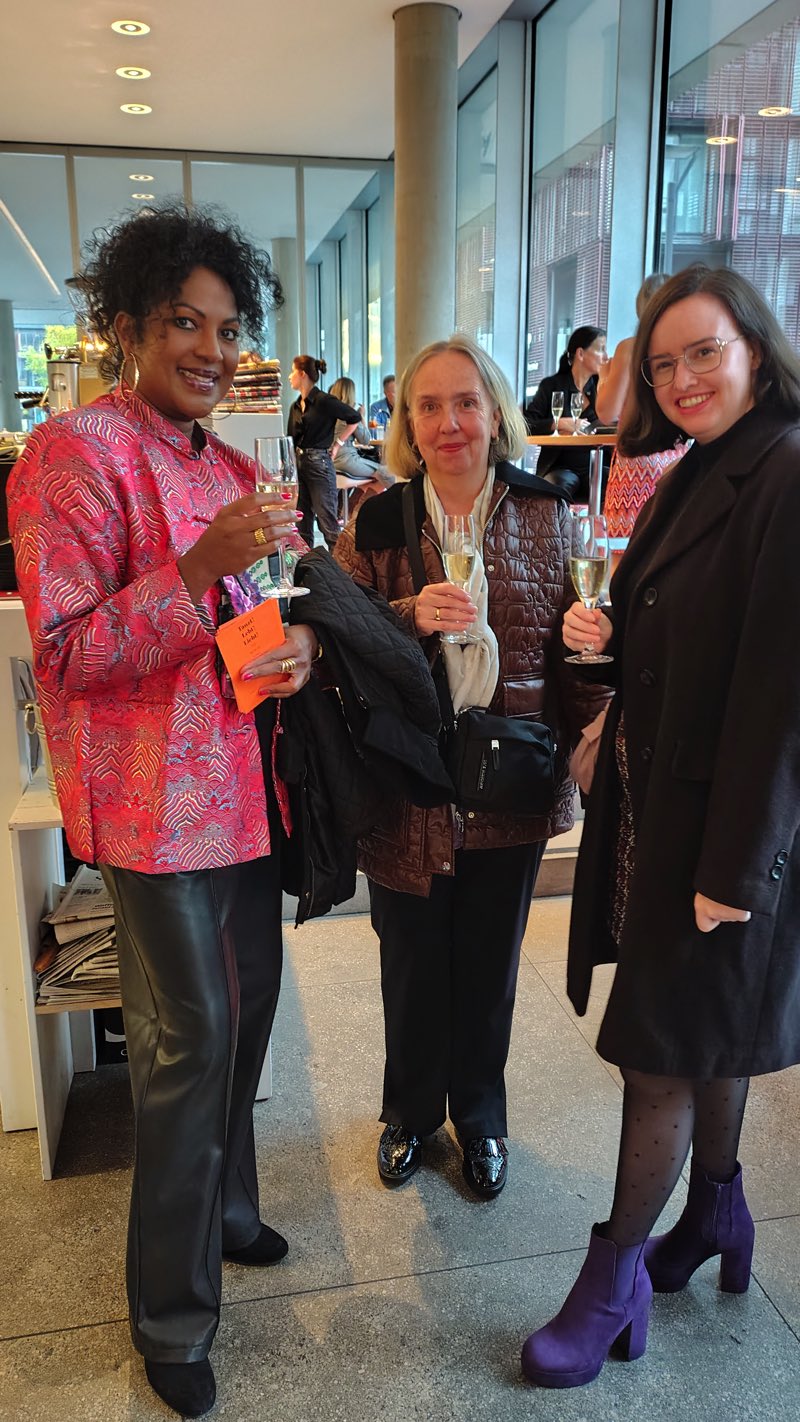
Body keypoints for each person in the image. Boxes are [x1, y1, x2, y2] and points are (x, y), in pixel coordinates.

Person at [7, 203, 321, 1421]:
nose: (209, 348)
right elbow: (67, 653)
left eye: (226, 328)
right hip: (148, 809)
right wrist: (195, 572)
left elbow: (246, 623)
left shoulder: (223, 465)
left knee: (248, 1017)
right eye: (184, 323)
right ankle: (171, 1316)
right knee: (187, 1044)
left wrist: (284, 651)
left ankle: (227, 1213)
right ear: (129, 328)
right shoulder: (72, 457)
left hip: (242, 788)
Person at [521, 264, 800, 1389]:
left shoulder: (785, 472)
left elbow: (778, 697)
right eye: (666, 359)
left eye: (705, 352)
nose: (683, 377)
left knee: (658, 1055)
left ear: (755, 349)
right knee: (701, 1034)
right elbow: (690, 632)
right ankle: (718, 1215)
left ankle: (613, 1280)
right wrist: (611, 643)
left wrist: (733, 870)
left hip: (723, 834)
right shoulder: (703, 465)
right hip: (666, 808)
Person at [334, 333, 608, 1199]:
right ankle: (411, 1114)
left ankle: (481, 1119)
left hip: (511, 777)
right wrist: (406, 616)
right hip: (406, 777)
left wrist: (594, 659)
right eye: (429, 406)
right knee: (410, 961)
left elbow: (578, 657)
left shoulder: (549, 512)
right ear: (408, 423)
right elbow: (337, 635)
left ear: (494, 412)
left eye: (465, 402)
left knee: (490, 965)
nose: (448, 422)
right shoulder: (376, 520)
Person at [596, 274, 684, 540]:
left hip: (636, 462)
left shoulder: (629, 349)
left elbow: (607, 412)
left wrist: (603, 376)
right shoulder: (680, 350)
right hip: (676, 458)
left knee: (624, 548)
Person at [523, 325, 609, 501]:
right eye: (601, 349)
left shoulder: (603, 389)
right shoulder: (551, 386)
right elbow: (526, 425)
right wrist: (560, 423)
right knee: (556, 486)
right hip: (560, 467)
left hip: (596, 465)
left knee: (614, 484)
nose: (606, 357)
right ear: (580, 354)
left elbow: (615, 423)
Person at [287, 355, 361, 550]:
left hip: (319, 462)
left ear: (302, 374)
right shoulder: (296, 406)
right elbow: (290, 439)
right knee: (302, 523)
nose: (289, 376)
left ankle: (339, 565)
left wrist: (337, 444)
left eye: (292, 372)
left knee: (327, 523)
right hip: (299, 463)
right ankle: (309, 564)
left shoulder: (324, 401)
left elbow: (354, 417)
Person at [328, 376, 394, 490]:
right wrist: (361, 416)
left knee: (374, 476)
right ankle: (400, 500)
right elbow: (366, 439)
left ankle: (360, 501)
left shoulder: (328, 413)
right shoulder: (349, 413)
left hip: (331, 462)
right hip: (347, 461)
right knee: (385, 473)